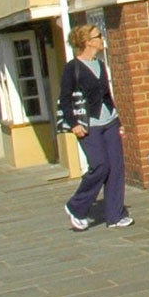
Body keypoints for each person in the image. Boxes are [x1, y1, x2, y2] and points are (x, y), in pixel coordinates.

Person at [58, 23, 131, 230]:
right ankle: (76, 206)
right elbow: (64, 99)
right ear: (87, 42)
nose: (102, 38)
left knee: (116, 167)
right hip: (89, 126)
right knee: (100, 165)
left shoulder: (100, 64)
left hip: (110, 123)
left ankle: (115, 216)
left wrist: (119, 122)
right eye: (98, 36)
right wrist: (74, 124)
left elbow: (107, 96)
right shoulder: (72, 68)